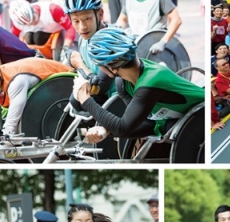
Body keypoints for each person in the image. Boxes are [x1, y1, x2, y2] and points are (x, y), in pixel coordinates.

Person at [72, 27, 205, 146]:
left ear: (112, 69)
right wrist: (106, 130)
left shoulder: (150, 83)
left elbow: (122, 128)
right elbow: (144, 122)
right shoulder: (123, 83)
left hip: (203, 114)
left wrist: (85, 99)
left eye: (98, 65)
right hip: (180, 122)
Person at [0, 52, 72, 135]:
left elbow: (11, 126)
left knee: (18, 130)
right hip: (50, 93)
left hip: (67, 86)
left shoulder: (16, 81)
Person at [8, 0, 76, 50]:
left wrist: (66, 49)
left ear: (34, 10)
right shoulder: (17, 24)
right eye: (29, 24)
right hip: (35, 38)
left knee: (38, 37)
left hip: (57, 35)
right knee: (29, 38)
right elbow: (11, 38)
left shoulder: (52, 9)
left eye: (34, 19)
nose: (33, 23)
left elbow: (70, 27)